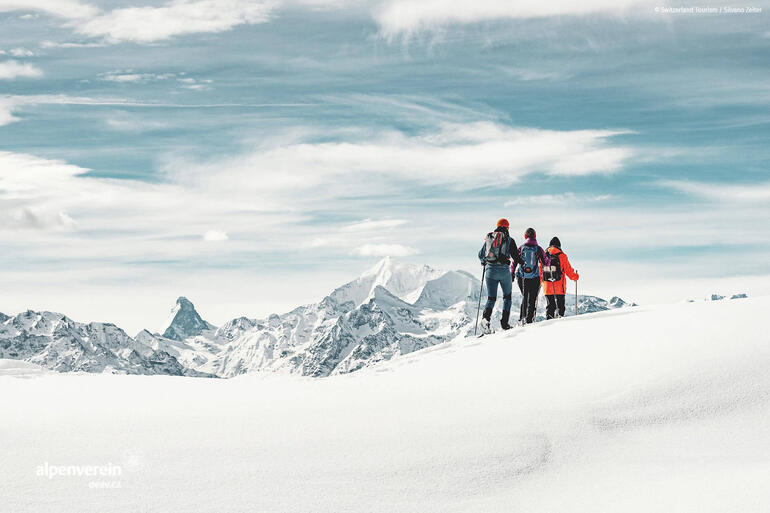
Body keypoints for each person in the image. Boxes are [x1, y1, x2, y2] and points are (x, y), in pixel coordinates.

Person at [478, 218, 525, 333]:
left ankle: (485, 319)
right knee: (507, 297)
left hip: (490, 271)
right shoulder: (509, 240)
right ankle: (504, 323)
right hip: (504, 272)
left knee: (491, 298)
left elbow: (480, 255)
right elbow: (516, 257)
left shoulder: (489, 238)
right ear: (507, 228)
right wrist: (523, 263)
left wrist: (485, 261)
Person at [515, 228, 548, 324]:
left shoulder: (521, 248)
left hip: (522, 277)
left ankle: (522, 319)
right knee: (532, 299)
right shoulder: (538, 249)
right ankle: (529, 320)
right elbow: (546, 263)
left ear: (525, 236)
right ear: (535, 236)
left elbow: (514, 262)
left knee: (525, 297)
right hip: (535, 277)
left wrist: (512, 273)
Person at [542, 236, 579, 319]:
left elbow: (540, 271)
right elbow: (568, 270)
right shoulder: (562, 256)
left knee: (550, 306)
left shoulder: (544, 256)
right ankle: (560, 322)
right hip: (559, 286)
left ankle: (548, 324)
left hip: (547, 286)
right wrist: (575, 277)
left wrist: (540, 282)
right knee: (560, 307)